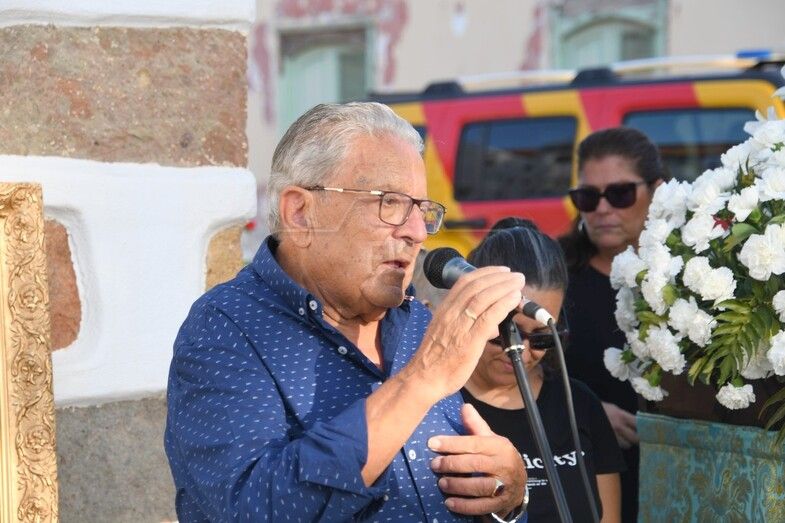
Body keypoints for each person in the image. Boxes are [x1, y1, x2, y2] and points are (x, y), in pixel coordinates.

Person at [164, 102, 529, 522]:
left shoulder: (417, 323)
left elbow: (464, 490)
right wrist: (422, 379)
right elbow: (255, 510)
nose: (415, 232)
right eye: (389, 203)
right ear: (301, 213)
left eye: (421, 210)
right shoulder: (224, 328)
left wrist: (508, 496)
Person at [462, 217, 624, 523]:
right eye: (505, 331)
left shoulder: (581, 404)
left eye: (541, 337)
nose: (520, 351)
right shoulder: (441, 405)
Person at [559, 127, 668, 522]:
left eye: (620, 194)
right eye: (588, 197)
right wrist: (584, 412)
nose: (602, 209)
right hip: (586, 478)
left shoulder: (691, 275)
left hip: (675, 476)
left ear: (656, 190)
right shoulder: (555, 276)